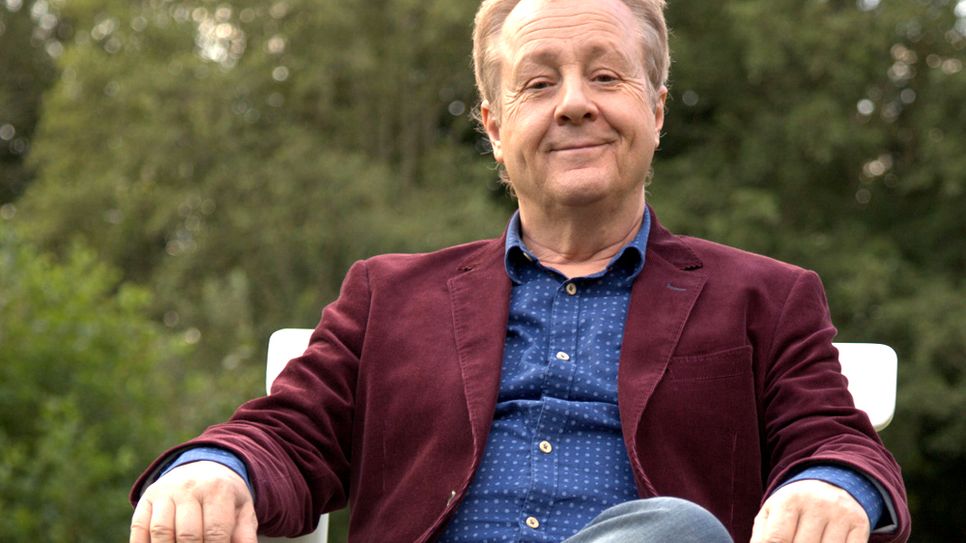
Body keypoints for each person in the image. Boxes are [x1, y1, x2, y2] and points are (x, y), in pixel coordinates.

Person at [129, 1, 911, 542]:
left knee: (679, 531)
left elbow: (837, 442)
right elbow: (288, 434)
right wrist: (216, 467)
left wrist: (828, 484)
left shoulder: (766, 299)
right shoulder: (386, 296)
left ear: (657, 110)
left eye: (606, 76)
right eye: (539, 83)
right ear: (496, 128)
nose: (574, 104)